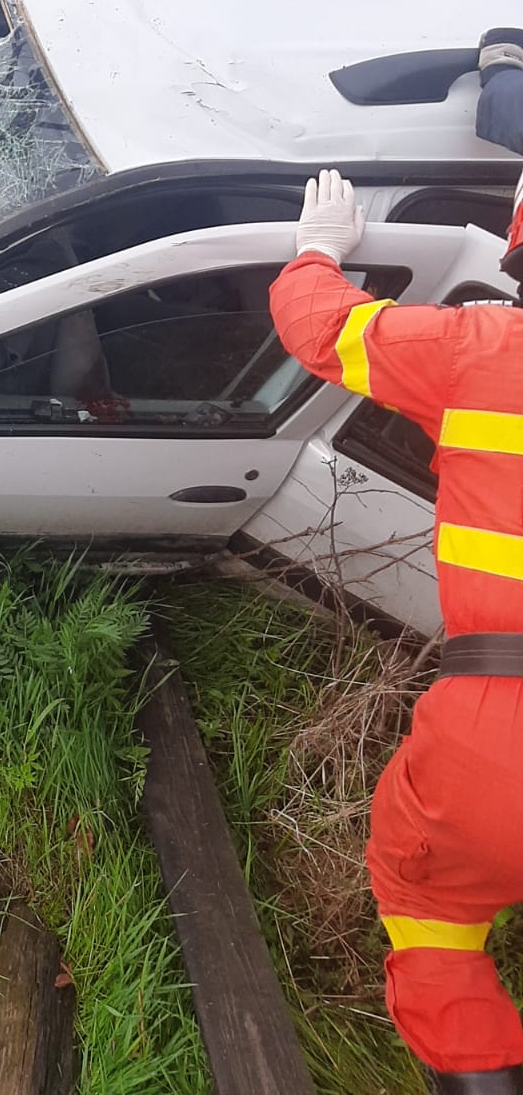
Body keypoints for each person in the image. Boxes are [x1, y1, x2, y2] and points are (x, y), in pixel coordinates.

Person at [270, 137, 523, 1090]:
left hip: (500, 740)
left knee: (432, 908)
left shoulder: (482, 353)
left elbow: (317, 329)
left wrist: (318, 247)